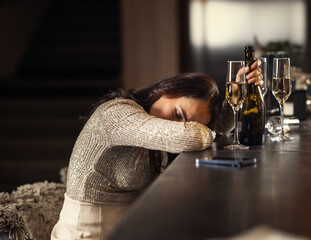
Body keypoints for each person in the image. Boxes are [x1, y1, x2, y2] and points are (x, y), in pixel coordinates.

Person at [51, 61, 263, 240]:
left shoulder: (150, 118)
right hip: (86, 234)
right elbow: (195, 136)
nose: (175, 125)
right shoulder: (116, 114)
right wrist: (201, 130)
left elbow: (221, 125)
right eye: (179, 114)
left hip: (125, 228)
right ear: (168, 90)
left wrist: (241, 89)